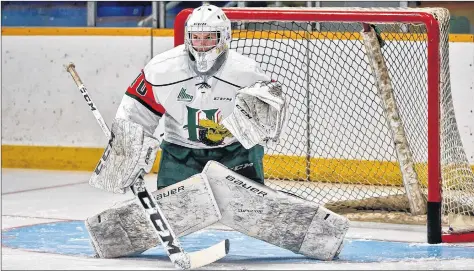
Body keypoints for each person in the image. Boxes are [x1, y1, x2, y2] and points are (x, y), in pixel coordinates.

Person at [112, 3, 286, 191]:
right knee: (174, 215)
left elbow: (270, 117)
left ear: (224, 37)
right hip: (180, 153)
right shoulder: (162, 69)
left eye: (209, 37)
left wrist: (240, 128)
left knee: (249, 212)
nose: (201, 45)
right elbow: (134, 114)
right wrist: (128, 153)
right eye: (196, 37)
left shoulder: (246, 72)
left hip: (236, 152)